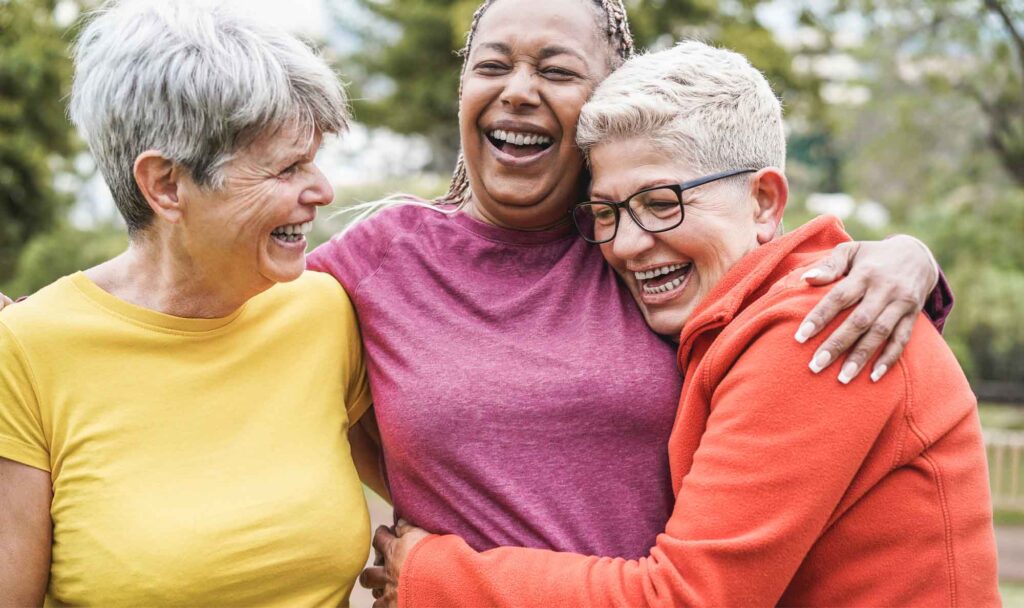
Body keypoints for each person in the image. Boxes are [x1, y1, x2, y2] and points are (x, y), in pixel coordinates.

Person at [308, 0, 949, 572]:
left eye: (556, 71)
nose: (519, 91)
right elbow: (242, 323)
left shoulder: (645, 250)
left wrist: (907, 258)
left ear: (603, 101)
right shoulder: (378, 261)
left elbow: (785, 274)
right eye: (491, 65)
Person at [0, 1, 372, 605]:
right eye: (287, 168)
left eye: (316, 160)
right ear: (167, 185)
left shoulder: (325, 311)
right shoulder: (27, 350)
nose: (323, 190)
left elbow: (446, 488)